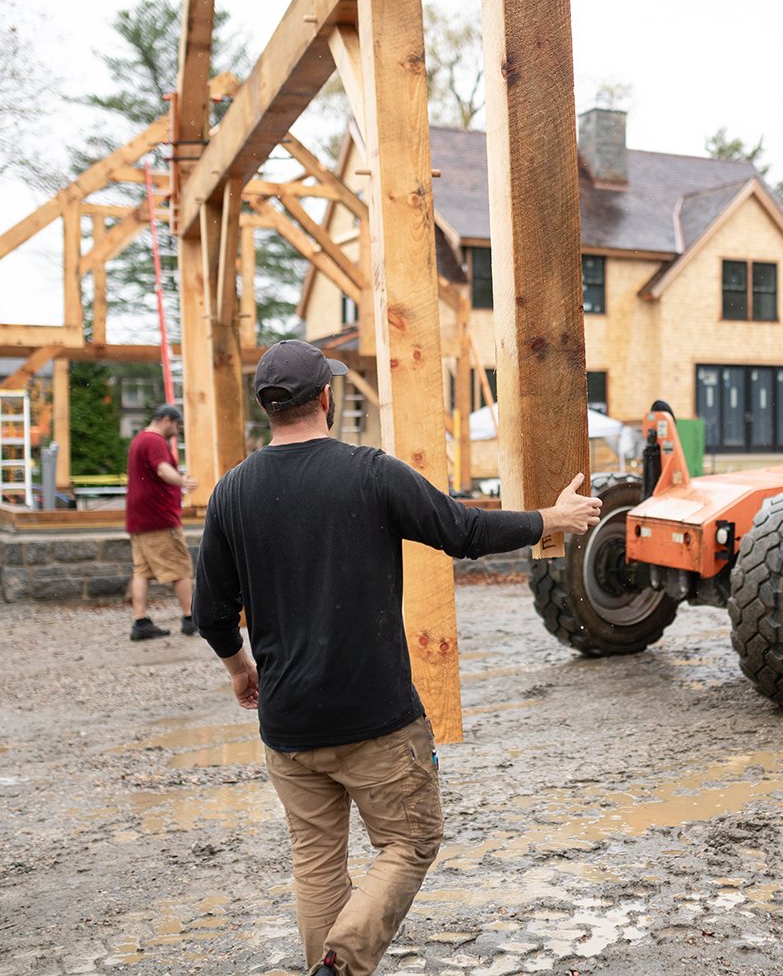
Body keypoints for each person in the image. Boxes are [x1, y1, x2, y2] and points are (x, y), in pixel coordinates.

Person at [192, 339, 601, 976]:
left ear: (268, 407)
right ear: (325, 397)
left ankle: (329, 966)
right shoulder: (370, 472)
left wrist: (241, 671)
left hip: (288, 724)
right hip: (375, 720)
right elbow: (463, 531)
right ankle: (344, 963)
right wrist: (552, 517)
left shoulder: (232, 492)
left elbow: (210, 612)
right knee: (410, 840)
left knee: (316, 862)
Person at [125, 403, 198, 640]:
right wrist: (182, 481)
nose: (177, 431)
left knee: (141, 571)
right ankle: (190, 618)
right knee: (181, 567)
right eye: (177, 425)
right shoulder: (154, 440)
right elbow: (162, 469)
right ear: (166, 419)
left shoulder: (139, 439)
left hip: (139, 518)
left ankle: (140, 621)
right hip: (159, 518)